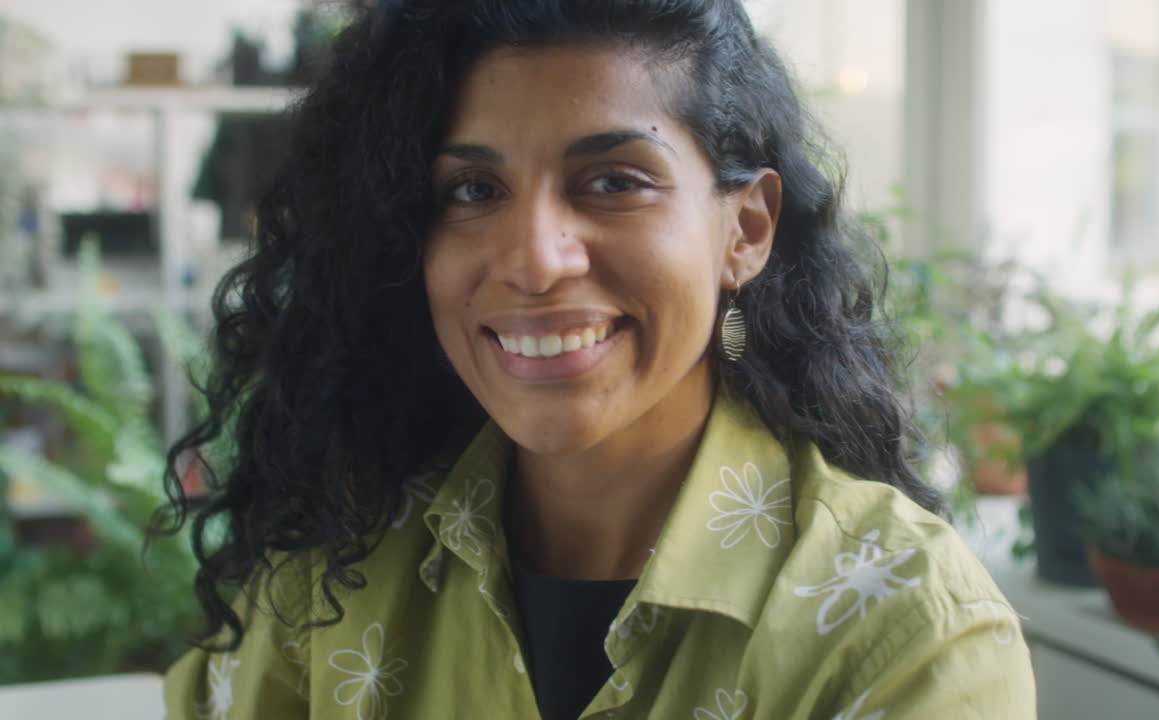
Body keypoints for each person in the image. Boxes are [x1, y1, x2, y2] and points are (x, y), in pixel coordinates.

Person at [160, 1, 1036, 718]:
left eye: (614, 181)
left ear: (748, 229)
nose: (536, 258)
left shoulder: (903, 627)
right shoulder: (334, 567)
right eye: (473, 190)